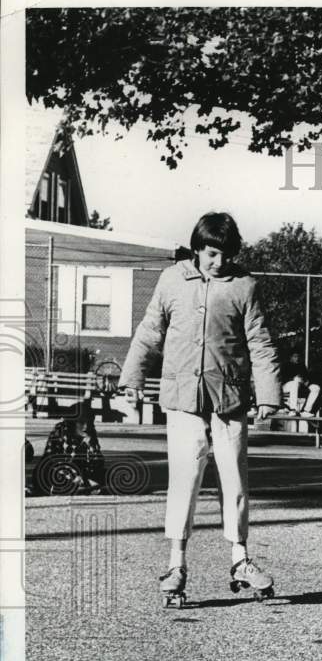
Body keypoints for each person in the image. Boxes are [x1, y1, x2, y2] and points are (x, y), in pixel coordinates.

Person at [120, 212, 283, 603]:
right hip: (182, 399)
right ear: (197, 248)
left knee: (235, 480)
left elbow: (260, 343)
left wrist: (268, 395)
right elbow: (149, 331)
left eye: (226, 254)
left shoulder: (244, 287)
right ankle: (176, 564)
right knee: (185, 478)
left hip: (229, 400)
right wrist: (132, 378)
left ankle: (240, 558)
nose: (219, 262)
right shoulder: (172, 280)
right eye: (211, 253)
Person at [32, 410, 105, 496]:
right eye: (81, 422)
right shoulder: (61, 431)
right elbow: (50, 459)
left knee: (102, 476)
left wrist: (90, 446)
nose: (86, 426)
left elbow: (98, 463)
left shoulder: (90, 432)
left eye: (89, 422)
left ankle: (81, 487)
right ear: (73, 422)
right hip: (56, 471)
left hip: (79, 473)